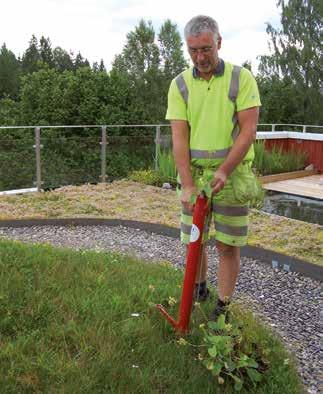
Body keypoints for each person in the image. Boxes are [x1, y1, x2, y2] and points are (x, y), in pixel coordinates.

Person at [165, 15, 261, 321]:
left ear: (218, 42)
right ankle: (200, 288)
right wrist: (188, 183)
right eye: (193, 50)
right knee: (195, 239)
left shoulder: (240, 78)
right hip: (195, 173)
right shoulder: (179, 84)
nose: (200, 57)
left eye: (206, 49)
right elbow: (179, 137)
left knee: (227, 245)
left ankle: (223, 307)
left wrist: (224, 170)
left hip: (232, 175)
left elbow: (248, 131)